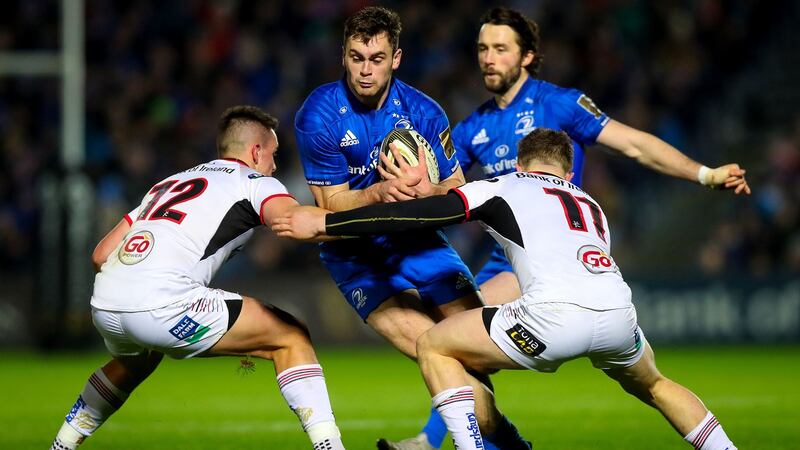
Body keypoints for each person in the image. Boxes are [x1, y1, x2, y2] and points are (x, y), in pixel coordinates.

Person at [273, 127, 738, 450]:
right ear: (569, 173)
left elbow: (419, 215)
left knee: (435, 345)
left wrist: (330, 220)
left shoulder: (505, 184)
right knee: (656, 385)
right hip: (618, 314)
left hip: (552, 320)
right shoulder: (589, 202)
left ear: (520, 163)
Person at [293, 6, 529, 450]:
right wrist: (379, 192)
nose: (365, 70)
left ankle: (494, 443)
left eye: (376, 58)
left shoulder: (424, 111)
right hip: (355, 255)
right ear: (343, 55)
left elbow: (457, 190)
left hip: (421, 243)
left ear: (396, 58)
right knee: (434, 350)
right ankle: (503, 446)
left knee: (478, 353)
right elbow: (332, 207)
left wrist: (428, 188)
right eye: (356, 57)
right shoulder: (319, 114)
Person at [49, 106, 345, 450]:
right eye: (274, 154)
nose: (275, 165)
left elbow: (100, 254)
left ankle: (62, 444)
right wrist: (358, 223)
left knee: (136, 361)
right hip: (164, 304)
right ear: (256, 152)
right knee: (291, 335)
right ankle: (331, 447)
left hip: (105, 305)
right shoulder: (254, 183)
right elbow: (291, 220)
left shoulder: (168, 184)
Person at [454, 6, 750, 307]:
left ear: (527, 56)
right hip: (505, 256)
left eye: (500, 49)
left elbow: (635, 145)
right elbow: (441, 188)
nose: (488, 59)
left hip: (553, 253)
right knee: (453, 337)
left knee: (460, 331)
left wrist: (705, 174)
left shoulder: (559, 104)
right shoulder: (470, 129)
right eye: (483, 49)